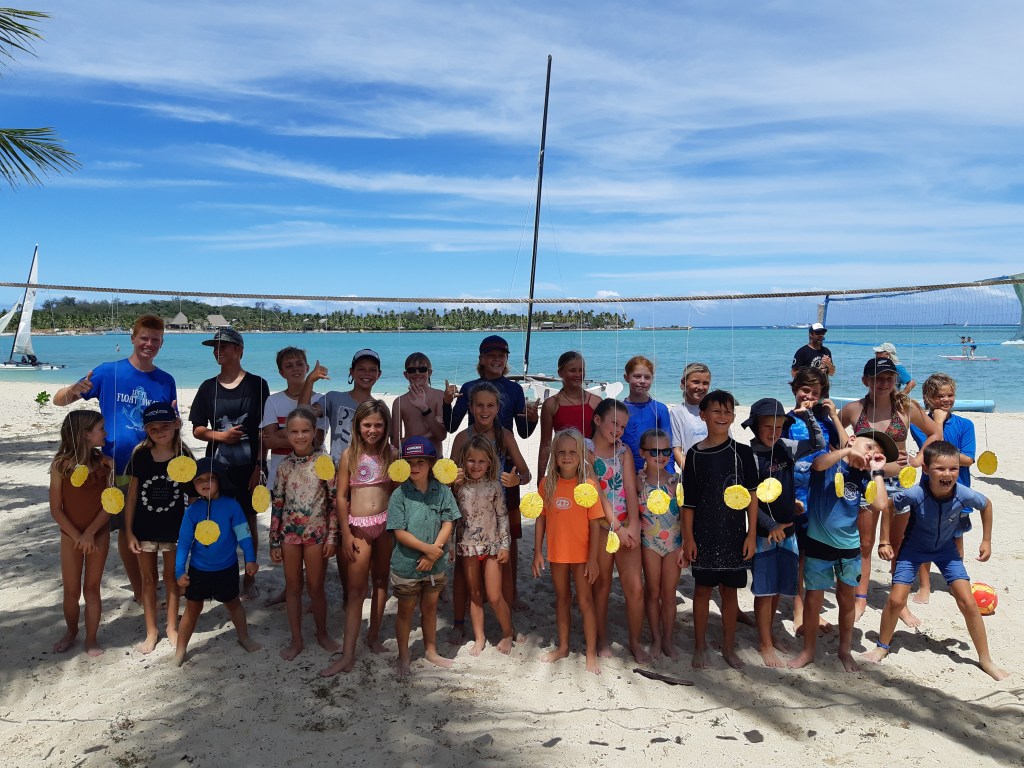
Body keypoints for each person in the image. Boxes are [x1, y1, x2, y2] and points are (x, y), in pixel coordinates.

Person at [53, 314, 177, 602]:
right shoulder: (109, 372)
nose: (149, 344)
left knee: (147, 528)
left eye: (155, 340)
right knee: (125, 528)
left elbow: (169, 424)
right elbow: (60, 400)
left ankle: (149, 585)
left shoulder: (165, 380)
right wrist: (71, 391)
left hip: (151, 466)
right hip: (114, 466)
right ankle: (140, 591)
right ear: (132, 338)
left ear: (162, 343)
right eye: (144, 338)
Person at [863, 441, 1008, 680]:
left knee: (968, 602)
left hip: (946, 552)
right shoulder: (916, 494)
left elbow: (986, 505)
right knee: (896, 600)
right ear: (926, 469)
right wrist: (884, 540)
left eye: (953, 469)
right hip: (913, 550)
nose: (947, 474)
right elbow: (888, 505)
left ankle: (986, 659)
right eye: (940, 468)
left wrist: (987, 540)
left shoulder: (963, 494)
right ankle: (882, 646)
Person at [840, 358, 942, 625]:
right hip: (865, 482)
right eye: (878, 378)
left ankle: (900, 604)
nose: (884, 383)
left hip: (900, 484)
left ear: (896, 380)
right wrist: (848, 455)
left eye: (889, 378)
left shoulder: (906, 407)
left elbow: (935, 433)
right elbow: (834, 437)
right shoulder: (853, 409)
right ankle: (860, 599)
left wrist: (918, 459)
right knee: (864, 544)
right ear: (866, 381)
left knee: (898, 544)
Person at [787, 430, 895, 672]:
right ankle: (808, 651)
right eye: (869, 447)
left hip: (849, 548)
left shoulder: (863, 477)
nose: (871, 454)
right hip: (818, 544)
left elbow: (880, 504)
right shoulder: (831, 464)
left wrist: (877, 471)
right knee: (813, 600)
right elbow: (817, 464)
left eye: (876, 454)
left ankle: (844, 650)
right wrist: (848, 450)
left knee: (846, 600)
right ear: (853, 439)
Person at [446, 335, 538, 609]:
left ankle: (511, 594)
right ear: (482, 358)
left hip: (504, 470)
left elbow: (523, 433)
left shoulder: (515, 389)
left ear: (506, 359)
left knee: (509, 537)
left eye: (502, 355)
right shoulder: (468, 388)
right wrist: (446, 403)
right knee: (469, 540)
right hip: (472, 472)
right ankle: (473, 598)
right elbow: (452, 426)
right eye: (491, 355)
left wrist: (533, 420)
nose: (497, 359)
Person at [742, 398, 826, 667]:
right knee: (764, 591)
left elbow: (818, 444)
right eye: (768, 426)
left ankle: (770, 634)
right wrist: (771, 526)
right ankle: (764, 644)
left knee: (778, 587)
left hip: (788, 530)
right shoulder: (749, 457)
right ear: (756, 426)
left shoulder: (787, 447)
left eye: (779, 427)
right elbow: (750, 501)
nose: (774, 432)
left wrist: (808, 416)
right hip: (764, 534)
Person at [189, 328, 270, 600]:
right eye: (215, 347)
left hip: (249, 467)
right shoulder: (207, 387)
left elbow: (263, 430)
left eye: (224, 346)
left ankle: (250, 579)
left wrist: (259, 466)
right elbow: (197, 429)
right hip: (216, 469)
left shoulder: (258, 384)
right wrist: (221, 436)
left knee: (248, 523)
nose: (218, 351)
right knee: (215, 521)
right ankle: (216, 575)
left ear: (239, 350)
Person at [679, 390, 757, 669]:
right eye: (716, 411)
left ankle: (728, 647)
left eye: (728, 411)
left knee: (729, 593)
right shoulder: (694, 455)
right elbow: (688, 503)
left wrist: (751, 534)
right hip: (704, 534)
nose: (723, 416)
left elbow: (752, 497)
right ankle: (700, 646)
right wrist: (688, 539)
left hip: (734, 535)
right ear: (703, 415)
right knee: (702, 590)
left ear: (734, 416)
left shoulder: (743, 453)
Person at [448, 382, 530, 642]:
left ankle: (508, 625)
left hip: (498, 509)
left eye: (490, 405)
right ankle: (459, 623)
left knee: (505, 567)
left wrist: (517, 480)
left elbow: (526, 473)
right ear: (471, 407)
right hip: (467, 513)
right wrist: (452, 479)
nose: (485, 410)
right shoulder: (462, 438)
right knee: (462, 573)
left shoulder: (505, 435)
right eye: (480, 405)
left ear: (497, 408)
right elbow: (448, 477)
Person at [321, 400, 396, 677]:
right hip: (359, 528)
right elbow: (341, 497)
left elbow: (397, 492)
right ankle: (348, 654)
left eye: (378, 425)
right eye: (367, 425)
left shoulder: (392, 454)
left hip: (386, 527)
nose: (372, 430)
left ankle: (373, 637)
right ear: (357, 426)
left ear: (386, 426)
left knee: (381, 581)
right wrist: (345, 533)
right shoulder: (349, 455)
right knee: (356, 591)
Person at [269, 406, 340, 662]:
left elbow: (334, 502)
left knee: (316, 587)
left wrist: (332, 537)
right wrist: (273, 540)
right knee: (293, 587)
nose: (300, 436)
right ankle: (297, 639)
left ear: (314, 432)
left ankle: (322, 633)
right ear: (287, 434)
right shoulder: (284, 466)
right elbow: (277, 503)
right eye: (294, 432)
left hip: (316, 535)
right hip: (289, 535)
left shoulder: (324, 462)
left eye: (305, 431)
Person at [174, 457, 261, 665]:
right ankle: (180, 649)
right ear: (193, 484)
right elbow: (184, 543)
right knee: (192, 609)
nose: (205, 483)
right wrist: (179, 571)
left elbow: (244, 535)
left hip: (226, 569)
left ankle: (244, 637)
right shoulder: (192, 511)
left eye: (211, 478)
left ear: (220, 480)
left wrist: (250, 559)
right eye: (199, 479)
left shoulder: (232, 506)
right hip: (198, 571)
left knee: (234, 604)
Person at [531, 428, 604, 674]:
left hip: (582, 557)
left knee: (585, 601)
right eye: (561, 452)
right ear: (554, 455)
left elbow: (595, 524)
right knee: (562, 599)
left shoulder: (588, 486)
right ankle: (563, 647)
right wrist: (537, 551)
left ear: (581, 454)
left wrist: (593, 559)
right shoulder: (547, 484)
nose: (567, 456)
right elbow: (541, 517)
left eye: (572, 452)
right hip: (557, 555)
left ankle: (591, 653)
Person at [387, 437, 461, 677]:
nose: (415, 467)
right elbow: (399, 531)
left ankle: (431, 650)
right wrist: (427, 550)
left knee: (430, 609)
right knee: (406, 611)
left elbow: (448, 521)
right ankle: (404, 655)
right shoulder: (399, 494)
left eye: (421, 462)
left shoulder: (443, 491)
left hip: (436, 564)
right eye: (410, 462)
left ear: (431, 464)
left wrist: (435, 550)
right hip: (407, 565)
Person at [124, 403, 194, 654]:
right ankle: (151, 630)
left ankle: (171, 627)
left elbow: (193, 497)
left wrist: (191, 531)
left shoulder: (184, 456)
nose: (159, 431)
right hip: (144, 529)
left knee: (172, 577)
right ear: (146, 430)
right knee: (148, 579)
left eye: (165, 426)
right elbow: (132, 496)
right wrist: (129, 532)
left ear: (176, 424)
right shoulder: (140, 455)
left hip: (175, 529)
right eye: (153, 428)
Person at [588, 397, 649, 663]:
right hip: (601, 528)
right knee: (601, 586)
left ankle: (635, 641)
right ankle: (602, 640)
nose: (618, 430)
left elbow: (630, 489)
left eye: (623, 426)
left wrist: (633, 525)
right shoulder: (586, 451)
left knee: (635, 588)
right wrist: (617, 528)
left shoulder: (623, 452)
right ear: (597, 420)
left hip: (626, 526)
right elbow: (598, 494)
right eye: (614, 423)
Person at [786, 367, 845, 636]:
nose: (809, 397)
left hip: (822, 495)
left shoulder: (826, 422)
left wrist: (833, 415)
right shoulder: (786, 421)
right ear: (795, 390)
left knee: (816, 555)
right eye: (805, 390)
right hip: (796, 495)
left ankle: (813, 608)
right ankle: (799, 609)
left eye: (815, 393)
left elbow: (845, 446)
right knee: (799, 555)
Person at [908, 373, 976, 604]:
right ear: (928, 398)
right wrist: (937, 423)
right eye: (940, 396)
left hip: (959, 490)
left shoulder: (965, 424)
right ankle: (925, 585)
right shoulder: (920, 425)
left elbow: (968, 459)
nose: (946, 400)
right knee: (925, 537)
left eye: (950, 395)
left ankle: (954, 581)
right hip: (929, 491)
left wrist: (955, 457)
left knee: (956, 538)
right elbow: (934, 452)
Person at [49, 410, 111, 657]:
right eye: (101, 429)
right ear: (86, 434)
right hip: (70, 535)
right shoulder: (60, 465)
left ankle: (91, 638)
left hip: (98, 533)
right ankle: (71, 632)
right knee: (71, 591)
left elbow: (111, 503)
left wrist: (90, 533)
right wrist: (78, 536)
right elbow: (56, 509)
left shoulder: (105, 463)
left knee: (92, 589)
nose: (105, 433)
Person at [452, 435, 515, 656]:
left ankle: (508, 632)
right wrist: (450, 547)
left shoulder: (494, 486)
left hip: (492, 547)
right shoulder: (458, 487)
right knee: (475, 594)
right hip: (467, 547)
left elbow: (503, 516)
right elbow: (450, 517)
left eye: (481, 461)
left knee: (495, 595)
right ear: (463, 461)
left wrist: (505, 545)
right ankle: (479, 638)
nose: (476, 466)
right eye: (471, 460)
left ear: (489, 462)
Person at [637, 428, 683, 660]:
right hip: (649, 544)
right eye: (654, 451)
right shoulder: (639, 482)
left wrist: (685, 545)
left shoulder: (676, 481)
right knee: (653, 591)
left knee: (669, 593)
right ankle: (656, 637)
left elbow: (685, 516)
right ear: (642, 453)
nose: (661, 455)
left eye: (666, 451)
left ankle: (668, 639)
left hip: (674, 543)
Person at [260, 347, 326, 489]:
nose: (295, 368)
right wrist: (304, 438)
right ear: (281, 373)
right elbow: (269, 441)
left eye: (299, 364)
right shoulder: (273, 401)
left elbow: (316, 441)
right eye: (289, 366)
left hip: (312, 478)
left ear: (307, 368)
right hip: (279, 478)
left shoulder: (321, 400)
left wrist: (279, 438)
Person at [536, 351, 602, 480]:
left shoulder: (596, 402)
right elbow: (545, 444)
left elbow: (603, 439)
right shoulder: (551, 404)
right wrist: (540, 478)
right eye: (572, 370)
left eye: (581, 370)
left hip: (592, 468)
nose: (578, 375)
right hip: (564, 467)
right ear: (560, 373)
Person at [391, 352, 455, 457]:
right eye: (412, 370)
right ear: (405, 374)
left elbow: (441, 435)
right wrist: (428, 434)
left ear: (429, 372)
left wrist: (424, 408)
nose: (417, 373)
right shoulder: (399, 402)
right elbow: (395, 444)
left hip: (435, 459)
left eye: (422, 369)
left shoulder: (439, 396)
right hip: (410, 460)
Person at [621, 355, 674, 474]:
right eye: (637, 376)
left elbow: (668, 445)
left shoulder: (660, 409)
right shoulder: (619, 410)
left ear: (652, 379)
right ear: (626, 377)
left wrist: (669, 474)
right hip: (624, 471)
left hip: (653, 473)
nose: (642, 381)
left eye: (647, 377)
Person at [669, 362, 712, 469]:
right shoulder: (677, 412)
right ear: (683, 382)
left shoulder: (714, 410)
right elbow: (677, 449)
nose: (701, 387)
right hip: (691, 469)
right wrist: (690, 472)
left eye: (705, 383)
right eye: (695, 382)